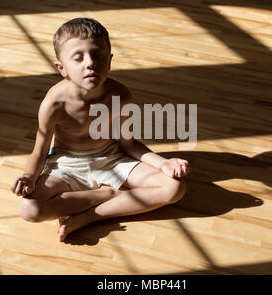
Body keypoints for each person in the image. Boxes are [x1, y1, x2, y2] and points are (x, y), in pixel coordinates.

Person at [11, 18, 190, 242]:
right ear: (62, 68)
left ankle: (89, 217)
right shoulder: (53, 103)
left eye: (98, 55)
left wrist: (164, 163)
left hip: (111, 158)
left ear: (109, 62)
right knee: (30, 210)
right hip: (67, 164)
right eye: (78, 58)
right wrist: (29, 177)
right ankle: (109, 194)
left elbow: (129, 143)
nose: (90, 63)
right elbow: (39, 152)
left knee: (174, 187)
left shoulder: (120, 95)